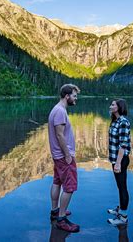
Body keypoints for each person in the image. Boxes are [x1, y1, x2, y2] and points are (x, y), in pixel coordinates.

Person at [48, 84, 81, 233]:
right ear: (67, 96)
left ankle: (55, 210)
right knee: (70, 186)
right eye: (74, 96)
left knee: (57, 181)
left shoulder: (56, 109)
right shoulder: (60, 111)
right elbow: (60, 135)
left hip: (57, 156)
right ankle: (61, 219)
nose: (76, 99)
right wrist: (68, 154)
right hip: (63, 156)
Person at [107, 99, 131, 226]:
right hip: (115, 159)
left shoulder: (123, 122)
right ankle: (120, 209)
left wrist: (117, 163)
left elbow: (123, 145)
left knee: (122, 187)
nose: (110, 106)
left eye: (113, 104)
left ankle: (123, 217)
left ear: (119, 107)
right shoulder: (115, 121)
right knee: (119, 186)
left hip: (120, 160)